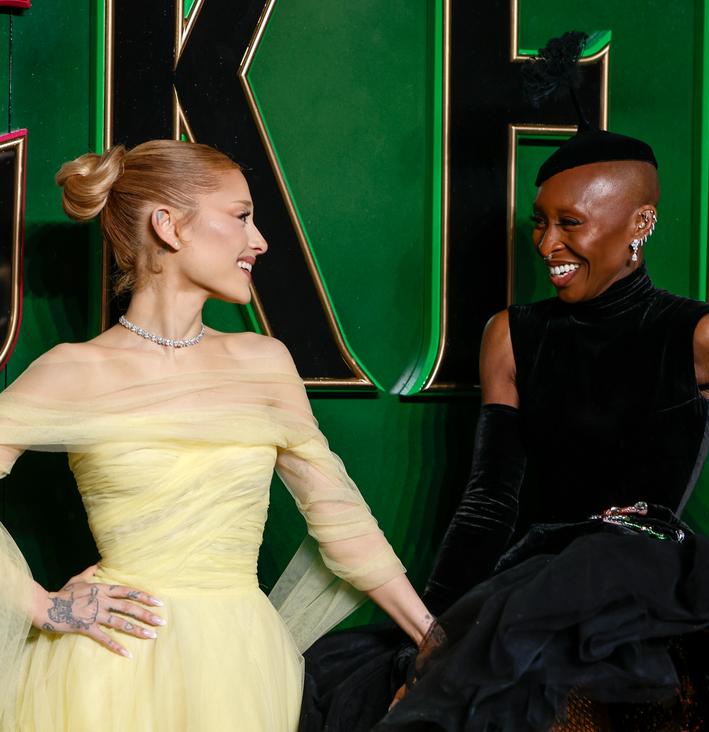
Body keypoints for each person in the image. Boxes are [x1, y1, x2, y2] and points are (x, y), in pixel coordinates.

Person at [302, 35, 709, 732]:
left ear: (641, 223)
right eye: (540, 224)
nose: (545, 245)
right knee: (364, 678)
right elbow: (487, 500)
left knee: (599, 557)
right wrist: (434, 631)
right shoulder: (512, 333)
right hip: (527, 574)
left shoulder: (706, 335)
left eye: (570, 224)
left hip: (636, 569)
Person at [0, 139, 435, 731]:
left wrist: (433, 638)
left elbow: (342, 521)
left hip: (242, 662)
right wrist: (40, 606)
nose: (259, 240)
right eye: (241, 216)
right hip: (111, 667)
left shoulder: (265, 362)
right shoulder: (73, 371)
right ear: (169, 226)